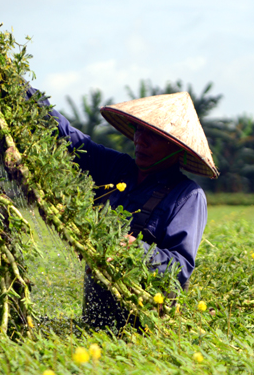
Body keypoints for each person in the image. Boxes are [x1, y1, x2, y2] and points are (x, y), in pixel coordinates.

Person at [36, 90, 220, 331]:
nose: (139, 140)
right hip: (95, 325)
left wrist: (135, 249)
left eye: (152, 136)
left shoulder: (187, 196)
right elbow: (71, 139)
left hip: (145, 331)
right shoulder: (117, 169)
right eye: (138, 130)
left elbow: (181, 268)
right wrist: (26, 93)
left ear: (175, 147)